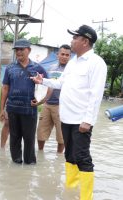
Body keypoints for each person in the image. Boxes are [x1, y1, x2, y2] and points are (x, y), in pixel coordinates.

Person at [31, 25, 107, 200]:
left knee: (82, 157)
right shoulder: (73, 62)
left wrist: (88, 120)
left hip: (81, 120)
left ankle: (86, 197)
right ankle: (70, 191)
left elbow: (96, 95)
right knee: (70, 155)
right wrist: (43, 81)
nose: (72, 41)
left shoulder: (96, 63)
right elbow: (60, 83)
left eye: (75, 38)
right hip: (66, 117)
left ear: (85, 41)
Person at [0, 39, 47, 165]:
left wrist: (41, 102)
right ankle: (16, 162)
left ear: (29, 50)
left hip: (29, 110)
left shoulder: (38, 68)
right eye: (17, 50)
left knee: (29, 139)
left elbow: (49, 86)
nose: (19, 52)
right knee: (14, 138)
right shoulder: (10, 68)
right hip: (13, 109)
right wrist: (1, 109)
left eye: (22, 49)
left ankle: (29, 164)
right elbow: (5, 88)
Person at [37, 44, 71, 153]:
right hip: (47, 104)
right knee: (41, 132)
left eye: (67, 55)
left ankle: (59, 156)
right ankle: (40, 153)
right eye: (62, 54)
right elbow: (45, 85)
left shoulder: (71, 70)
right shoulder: (50, 68)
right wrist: (41, 100)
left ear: (70, 57)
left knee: (61, 135)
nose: (64, 56)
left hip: (62, 106)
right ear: (58, 55)